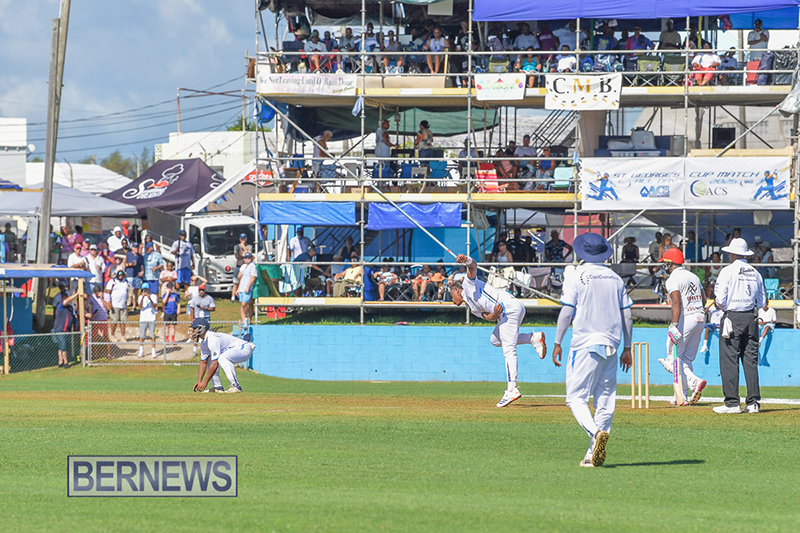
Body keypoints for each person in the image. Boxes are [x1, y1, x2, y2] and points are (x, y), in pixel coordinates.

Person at [548, 233, 633, 467]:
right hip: (612, 345)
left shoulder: (577, 275)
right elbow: (627, 315)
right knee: (605, 399)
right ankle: (591, 453)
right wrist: (627, 347)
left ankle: (595, 434)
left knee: (576, 398)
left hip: (585, 344)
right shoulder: (616, 279)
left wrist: (557, 342)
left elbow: (566, 312)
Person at [450, 253, 546, 407]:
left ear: (456, 291)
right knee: (495, 341)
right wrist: (494, 314)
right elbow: (488, 316)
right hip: (508, 311)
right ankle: (531, 338)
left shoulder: (468, 285)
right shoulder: (472, 307)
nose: (452, 300)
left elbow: (473, 266)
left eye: (451, 296)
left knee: (509, 350)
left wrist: (466, 260)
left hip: (509, 308)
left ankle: (512, 389)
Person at [713, 238, 765, 414]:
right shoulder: (756, 273)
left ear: (733, 253)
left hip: (733, 317)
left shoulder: (727, 272)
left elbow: (720, 301)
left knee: (729, 359)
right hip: (751, 317)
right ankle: (753, 402)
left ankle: (732, 402)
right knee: (750, 360)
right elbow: (762, 301)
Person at [655, 249, 708, 405]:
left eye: (665, 263)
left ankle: (694, 382)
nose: (664, 266)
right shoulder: (694, 276)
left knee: (672, 358)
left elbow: (676, 303)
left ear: (671, 264)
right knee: (686, 359)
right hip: (700, 318)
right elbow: (704, 300)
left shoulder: (673, 279)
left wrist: (674, 324)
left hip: (686, 319)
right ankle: (681, 396)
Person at [191, 318, 255, 394]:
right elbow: (203, 362)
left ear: (202, 328)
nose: (192, 331)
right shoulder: (204, 343)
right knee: (209, 358)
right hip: (233, 349)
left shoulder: (212, 339)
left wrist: (205, 382)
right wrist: (199, 381)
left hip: (244, 347)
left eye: (195, 328)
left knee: (222, 358)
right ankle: (217, 387)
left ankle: (236, 386)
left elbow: (215, 364)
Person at [53, 284, 79, 368]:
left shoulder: (70, 308)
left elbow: (73, 316)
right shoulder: (60, 306)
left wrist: (75, 325)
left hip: (67, 329)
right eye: (64, 298)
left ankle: (60, 361)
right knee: (63, 345)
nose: (65, 299)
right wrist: (75, 295)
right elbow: (66, 301)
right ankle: (65, 362)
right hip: (60, 329)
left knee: (63, 345)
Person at [105, 270, 130, 342]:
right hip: (114, 305)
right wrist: (109, 303)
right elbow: (107, 292)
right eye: (119, 275)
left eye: (122, 275)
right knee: (114, 321)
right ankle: (112, 335)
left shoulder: (126, 282)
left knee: (123, 322)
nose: (120, 276)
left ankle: (123, 336)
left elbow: (130, 291)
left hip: (123, 305)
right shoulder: (112, 282)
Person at [137, 283, 159, 359]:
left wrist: (150, 298)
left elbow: (155, 306)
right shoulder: (140, 297)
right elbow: (139, 307)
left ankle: (153, 351)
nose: (145, 291)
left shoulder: (153, 296)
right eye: (144, 289)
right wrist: (143, 298)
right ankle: (141, 351)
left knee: (152, 336)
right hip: (143, 319)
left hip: (151, 318)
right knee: (142, 336)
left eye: (147, 289)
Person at [231, 233, 252, 301]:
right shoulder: (236, 247)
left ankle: (243, 295)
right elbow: (238, 256)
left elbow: (249, 255)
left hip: (246, 267)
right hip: (239, 266)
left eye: (244, 239)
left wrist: (244, 248)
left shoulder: (249, 246)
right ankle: (233, 297)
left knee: (244, 281)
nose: (243, 240)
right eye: (241, 239)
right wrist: (244, 255)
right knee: (235, 282)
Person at [237, 252, 257, 325]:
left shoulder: (252, 266)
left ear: (251, 258)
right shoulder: (243, 266)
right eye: (246, 258)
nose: (247, 259)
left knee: (244, 304)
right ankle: (243, 320)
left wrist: (248, 287)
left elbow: (253, 277)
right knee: (242, 304)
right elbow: (240, 278)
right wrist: (238, 288)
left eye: (248, 258)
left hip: (248, 288)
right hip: (242, 288)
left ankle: (247, 319)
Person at [124, 239, 144, 309]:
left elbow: (141, 266)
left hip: (136, 276)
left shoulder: (140, 256)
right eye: (135, 247)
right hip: (129, 275)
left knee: (136, 292)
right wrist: (130, 264)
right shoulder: (128, 254)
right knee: (128, 291)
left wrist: (142, 272)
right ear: (132, 248)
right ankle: (126, 304)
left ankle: (134, 306)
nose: (136, 249)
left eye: (137, 247)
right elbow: (124, 264)